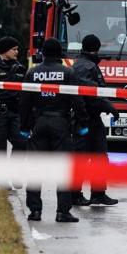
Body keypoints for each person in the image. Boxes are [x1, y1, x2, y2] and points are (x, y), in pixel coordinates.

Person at [20, 39, 89, 223]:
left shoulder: (32, 73)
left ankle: (35, 211)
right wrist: (82, 124)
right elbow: (77, 101)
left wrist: (24, 127)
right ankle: (62, 212)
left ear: (42, 53)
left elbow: (25, 102)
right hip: (61, 123)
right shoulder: (68, 72)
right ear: (60, 54)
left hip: (39, 122)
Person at [70, 34, 120, 207]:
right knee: (85, 158)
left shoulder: (83, 64)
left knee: (97, 157)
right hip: (85, 119)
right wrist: (110, 107)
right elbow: (91, 94)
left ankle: (97, 194)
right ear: (96, 48)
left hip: (89, 118)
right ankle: (77, 194)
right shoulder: (87, 67)